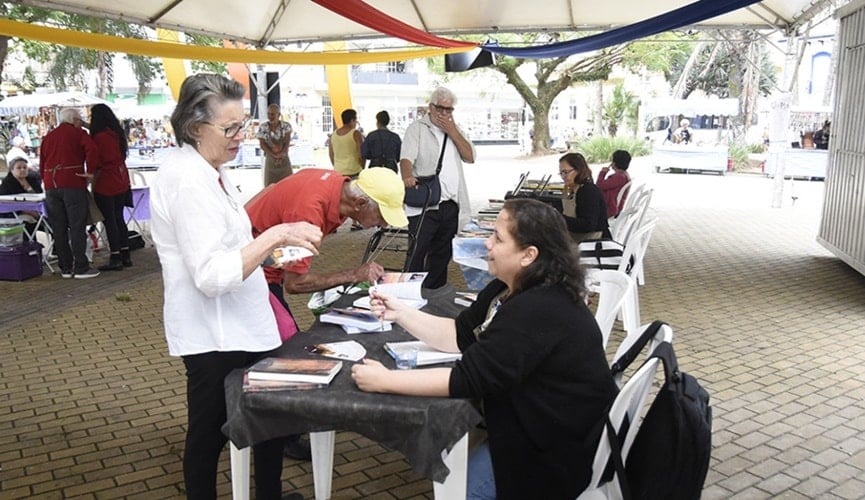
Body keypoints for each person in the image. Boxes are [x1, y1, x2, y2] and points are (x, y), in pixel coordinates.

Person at [352, 198, 617, 500]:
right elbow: (460, 335)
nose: (487, 243)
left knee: (460, 493)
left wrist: (385, 380)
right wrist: (400, 312)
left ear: (529, 255)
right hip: (539, 428)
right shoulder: (509, 288)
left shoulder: (538, 307)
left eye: (498, 238)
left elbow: (466, 379)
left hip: (555, 450)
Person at [150, 73, 323, 500]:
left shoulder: (211, 170)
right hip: (215, 333)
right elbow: (211, 276)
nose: (240, 137)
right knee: (209, 432)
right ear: (196, 128)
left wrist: (275, 253)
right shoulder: (188, 180)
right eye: (229, 128)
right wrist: (276, 234)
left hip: (243, 323)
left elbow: (234, 248)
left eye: (242, 124)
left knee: (267, 419)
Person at [246, 166, 408, 310]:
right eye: (381, 216)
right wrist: (353, 275)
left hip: (265, 259)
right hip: (252, 271)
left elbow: (273, 188)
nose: (384, 224)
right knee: (285, 332)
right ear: (360, 203)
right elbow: (295, 283)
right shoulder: (309, 212)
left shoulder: (338, 188)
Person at [400, 86, 476, 289]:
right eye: (440, 108)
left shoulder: (456, 130)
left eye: (448, 109)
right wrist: (407, 176)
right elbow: (406, 158)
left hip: (450, 203)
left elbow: (470, 157)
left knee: (442, 253)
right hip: (425, 204)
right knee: (417, 252)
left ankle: (434, 291)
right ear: (430, 107)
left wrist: (453, 131)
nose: (443, 113)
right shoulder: (417, 128)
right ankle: (409, 292)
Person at [40, 107, 101, 279]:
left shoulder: (48, 137)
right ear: (74, 120)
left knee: (58, 227)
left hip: (51, 185)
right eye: (79, 120)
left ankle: (65, 267)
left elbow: (42, 162)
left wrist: (46, 181)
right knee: (77, 225)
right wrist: (90, 172)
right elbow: (92, 150)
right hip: (72, 182)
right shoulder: (78, 133)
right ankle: (81, 266)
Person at [89, 103, 133, 271]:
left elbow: (97, 160)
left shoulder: (99, 137)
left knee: (109, 220)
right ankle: (125, 253)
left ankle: (115, 256)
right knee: (119, 217)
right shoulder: (116, 134)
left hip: (105, 180)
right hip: (120, 178)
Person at [559, 152, 608, 242]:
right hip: (577, 239)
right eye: (561, 173)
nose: (563, 177)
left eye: (566, 172)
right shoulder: (572, 189)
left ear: (578, 170)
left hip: (592, 242)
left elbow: (588, 225)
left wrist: (558, 219)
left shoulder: (588, 191)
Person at [0, 156, 44, 238]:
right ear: (12, 170)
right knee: (28, 222)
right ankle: (30, 243)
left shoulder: (32, 179)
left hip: (37, 209)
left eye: (24, 167)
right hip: (16, 212)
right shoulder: (7, 184)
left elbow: (40, 194)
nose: (22, 170)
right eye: (19, 168)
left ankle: (58, 243)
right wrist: (29, 211)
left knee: (56, 218)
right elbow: (5, 203)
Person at [257, 103, 293, 185]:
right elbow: (262, 145)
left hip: (284, 159)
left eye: (272, 114)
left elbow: (287, 142)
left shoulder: (286, 126)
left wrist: (281, 154)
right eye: (268, 114)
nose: (270, 116)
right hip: (270, 161)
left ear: (279, 115)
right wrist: (274, 156)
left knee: (287, 185)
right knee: (270, 186)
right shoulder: (263, 127)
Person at [328, 109, 364, 177]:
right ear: (352, 120)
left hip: (338, 171)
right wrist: (362, 166)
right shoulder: (355, 133)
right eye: (356, 120)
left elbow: (331, 154)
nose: (356, 123)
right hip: (353, 170)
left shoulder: (333, 135)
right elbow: (361, 153)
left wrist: (336, 166)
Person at [597, 149, 632, 219]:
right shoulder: (624, 175)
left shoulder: (619, 177)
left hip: (609, 209)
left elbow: (599, 185)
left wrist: (603, 173)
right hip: (614, 207)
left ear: (614, 163)